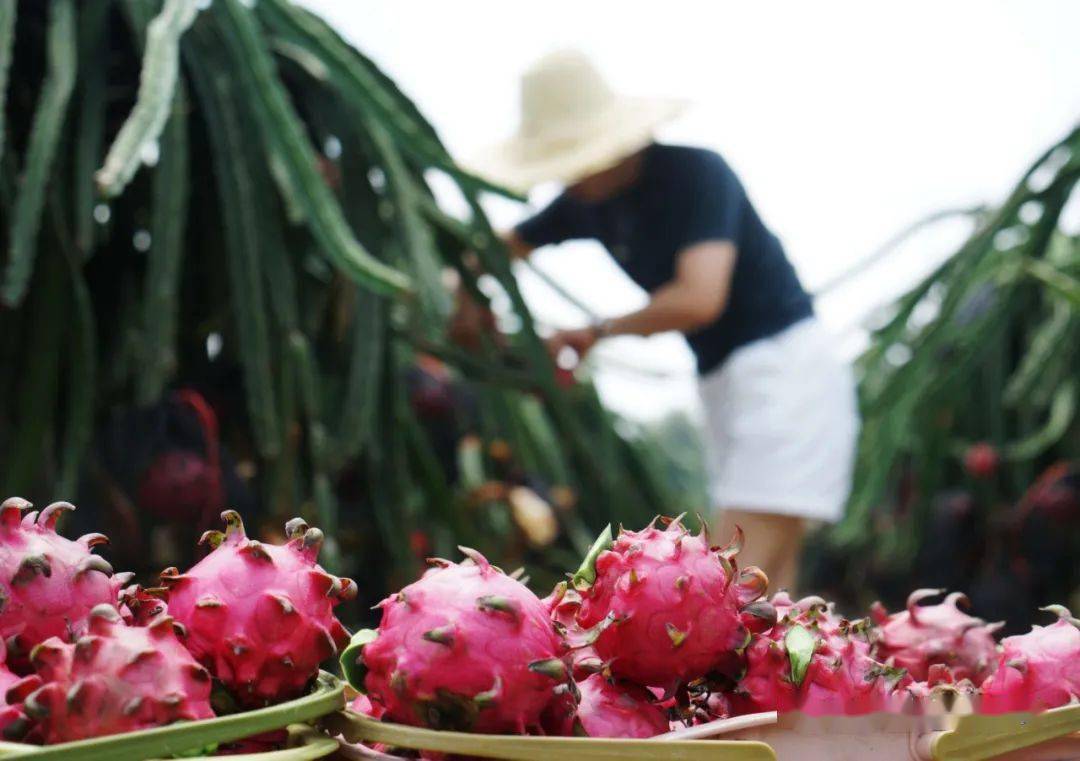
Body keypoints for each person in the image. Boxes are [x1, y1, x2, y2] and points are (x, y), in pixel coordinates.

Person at [464, 49, 859, 592]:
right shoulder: (586, 200)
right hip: (723, 377)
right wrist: (464, 295)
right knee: (770, 587)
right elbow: (500, 248)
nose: (567, 175)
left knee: (732, 584)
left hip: (781, 369)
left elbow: (700, 298)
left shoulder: (694, 174)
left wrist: (594, 332)